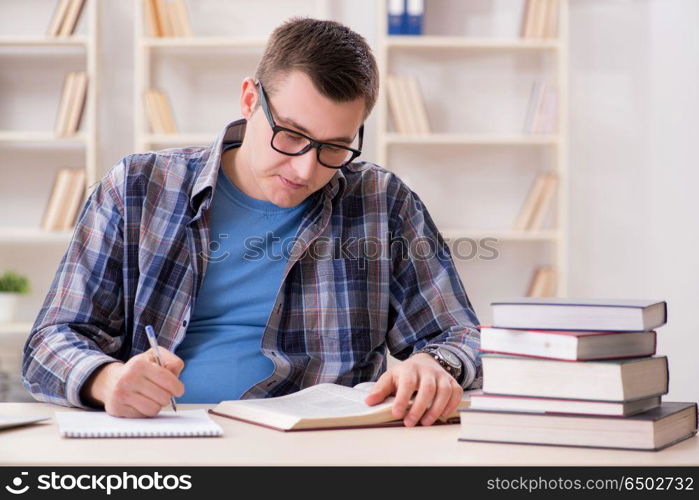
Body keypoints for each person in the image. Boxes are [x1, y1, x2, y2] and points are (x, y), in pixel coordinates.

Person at [22, 17, 481, 427]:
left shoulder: (383, 202)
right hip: (164, 436)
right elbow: (50, 341)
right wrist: (107, 379)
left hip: (321, 450)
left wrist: (436, 364)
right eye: (292, 135)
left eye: (334, 148)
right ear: (249, 99)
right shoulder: (139, 187)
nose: (305, 170)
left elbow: (459, 334)